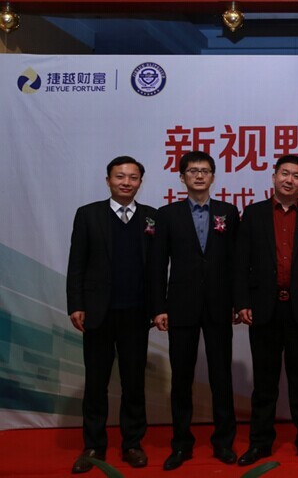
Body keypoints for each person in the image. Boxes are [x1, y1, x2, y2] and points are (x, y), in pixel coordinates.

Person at [234, 155, 298, 466]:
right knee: (264, 383)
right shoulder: (253, 214)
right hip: (264, 308)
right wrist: (242, 302)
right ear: (274, 177)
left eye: (296, 176)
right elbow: (240, 262)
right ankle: (260, 443)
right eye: (285, 173)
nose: (290, 180)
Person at [149, 151, 239, 470]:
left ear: (213, 176)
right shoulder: (167, 214)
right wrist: (158, 307)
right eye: (192, 171)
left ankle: (224, 443)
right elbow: (157, 265)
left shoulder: (228, 212)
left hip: (219, 306)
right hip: (181, 306)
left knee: (221, 378)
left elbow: (237, 262)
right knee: (182, 378)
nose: (199, 176)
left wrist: (238, 302)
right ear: (182, 177)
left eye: (205, 171)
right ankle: (181, 444)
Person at [67, 156, 157, 473]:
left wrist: (157, 308)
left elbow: (157, 269)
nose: (126, 182)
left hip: (136, 314)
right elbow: (76, 263)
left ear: (140, 182)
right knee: (96, 383)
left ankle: (132, 443)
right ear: (108, 180)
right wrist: (76, 304)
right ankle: (93, 445)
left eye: (133, 177)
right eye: (120, 176)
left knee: (134, 383)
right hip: (98, 313)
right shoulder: (88, 214)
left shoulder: (151, 217)